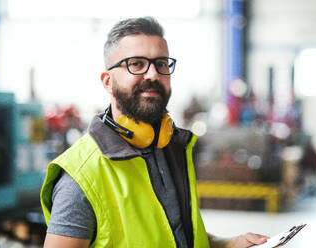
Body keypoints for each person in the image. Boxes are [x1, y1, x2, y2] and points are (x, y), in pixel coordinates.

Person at [40, 16, 268, 248]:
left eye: (161, 64)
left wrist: (227, 244)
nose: (153, 74)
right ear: (107, 81)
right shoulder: (82, 176)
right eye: (136, 64)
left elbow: (175, 234)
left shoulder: (171, 148)